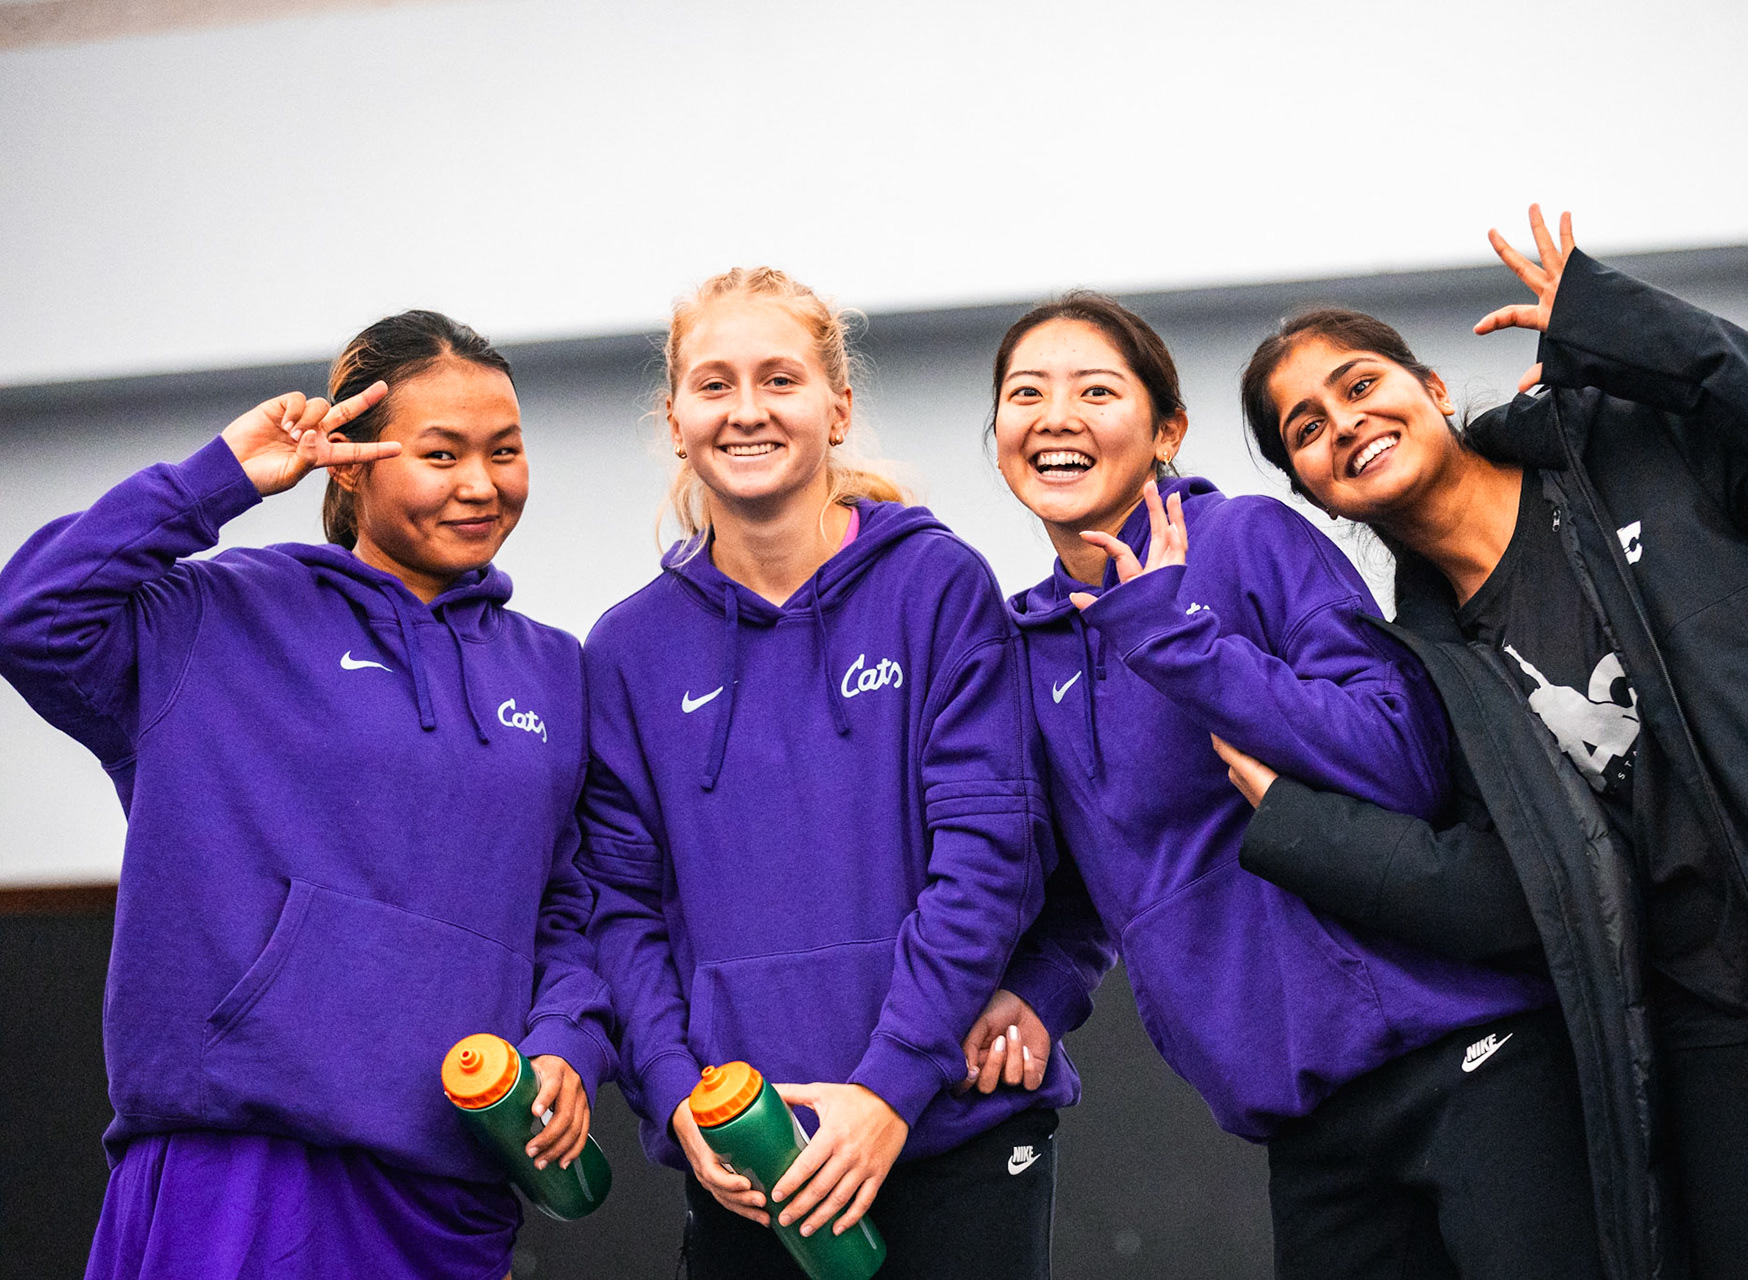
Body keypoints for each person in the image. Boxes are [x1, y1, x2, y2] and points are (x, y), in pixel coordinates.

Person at [1227, 204, 1748, 1280]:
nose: (1345, 423)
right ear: (1311, 488)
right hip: (1720, 1039)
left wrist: (1635, 329)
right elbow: (1507, 894)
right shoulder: (1429, 668)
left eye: (1360, 385)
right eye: (1306, 428)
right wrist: (1294, 820)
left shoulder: (1627, 442)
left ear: (1431, 387)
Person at [976, 291, 1607, 1279]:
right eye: (1026, 394)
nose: (1057, 416)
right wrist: (1038, 988)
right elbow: (1101, 874)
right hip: (1301, 1115)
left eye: (1095, 390)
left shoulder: (1248, 541)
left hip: (1464, 1056)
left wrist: (1180, 643)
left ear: (1166, 431)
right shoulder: (1024, 646)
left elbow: (1403, 755)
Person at [0, 311, 615, 1280]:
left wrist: (568, 1042)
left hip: (450, 1187)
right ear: (353, 465)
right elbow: (31, 614)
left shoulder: (556, 673)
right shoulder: (216, 616)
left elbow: (573, 908)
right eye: (441, 453)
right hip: (239, 1170)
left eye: (504, 451)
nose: (481, 483)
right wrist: (220, 478)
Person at [576, 267, 1063, 1280]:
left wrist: (888, 1089)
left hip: (951, 1132)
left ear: (836, 409)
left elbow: (990, 859)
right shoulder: (626, 651)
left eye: (779, 379)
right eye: (714, 384)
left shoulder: (936, 585)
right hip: (750, 1161)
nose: (746, 409)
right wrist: (674, 1091)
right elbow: (620, 908)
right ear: (675, 419)